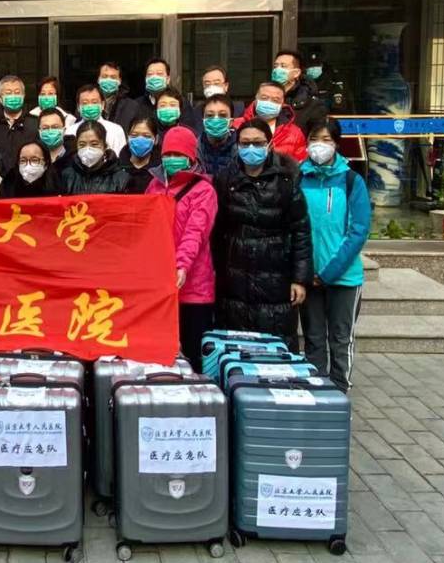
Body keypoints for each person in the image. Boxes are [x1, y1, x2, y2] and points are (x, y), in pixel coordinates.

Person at [211, 119, 313, 351]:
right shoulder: (225, 180)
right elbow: (216, 231)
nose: (251, 148)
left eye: (257, 143)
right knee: (237, 348)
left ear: (269, 144)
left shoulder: (286, 181)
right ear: (237, 145)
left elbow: (301, 231)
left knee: (275, 347)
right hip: (233, 278)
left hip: (276, 277)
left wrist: (300, 279)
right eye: (245, 143)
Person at [299, 118, 371, 391]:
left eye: (326, 140)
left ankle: (340, 391)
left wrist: (328, 272)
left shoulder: (352, 181)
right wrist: (305, 271)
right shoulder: (299, 178)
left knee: (340, 339)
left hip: (343, 278)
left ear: (337, 144)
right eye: (314, 139)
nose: (319, 145)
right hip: (309, 276)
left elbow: (358, 231)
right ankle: (317, 391)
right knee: (313, 338)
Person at [145, 127, 218, 371]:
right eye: (168, 154)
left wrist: (182, 265)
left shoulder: (203, 190)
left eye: (178, 154)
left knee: (193, 353)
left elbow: (195, 232)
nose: (171, 159)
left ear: (190, 156)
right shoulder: (155, 185)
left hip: (194, 286)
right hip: (159, 284)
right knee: (160, 354)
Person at [232, 82, 307, 162]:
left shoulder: (294, 133)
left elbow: (300, 163)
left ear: (282, 104)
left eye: (275, 100)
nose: (269, 102)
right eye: (264, 98)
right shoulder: (235, 125)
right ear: (256, 99)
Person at [128, 58, 202, 133]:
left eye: (159, 74)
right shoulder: (136, 104)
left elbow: (190, 131)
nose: (154, 77)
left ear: (168, 79)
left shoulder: (181, 102)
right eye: (150, 74)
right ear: (145, 79)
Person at [0, 74, 38, 174]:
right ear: (0, 98)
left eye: (17, 92)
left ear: (23, 96)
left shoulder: (35, 124)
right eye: (8, 93)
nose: (13, 96)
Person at [59, 120, 129, 194]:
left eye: (94, 144)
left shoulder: (121, 178)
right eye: (82, 144)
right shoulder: (67, 176)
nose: (88, 149)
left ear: (105, 146)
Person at [272, 48, 327, 133]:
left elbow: (315, 136)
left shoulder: (312, 105)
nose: (277, 70)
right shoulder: (265, 98)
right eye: (275, 66)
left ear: (296, 73)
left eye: (283, 66)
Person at [69, 84, 127, 155]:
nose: (90, 106)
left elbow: (121, 157)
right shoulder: (70, 131)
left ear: (102, 105)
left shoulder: (116, 130)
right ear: (78, 107)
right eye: (85, 103)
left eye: (94, 102)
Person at [197, 95, 237, 177]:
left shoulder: (240, 147)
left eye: (222, 115)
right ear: (203, 121)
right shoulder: (196, 147)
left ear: (231, 122)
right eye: (210, 115)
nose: (216, 119)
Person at [120, 116, 159, 193]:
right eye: (134, 135)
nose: (140, 140)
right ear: (127, 138)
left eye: (146, 136)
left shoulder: (160, 172)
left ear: (156, 139)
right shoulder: (117, 168)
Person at [98, 61, 139, 129]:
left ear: (119, 81)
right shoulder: (88, 103)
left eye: (113, 77)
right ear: (98, 79)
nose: (108, 80)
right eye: (105, 76)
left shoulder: (131, 106)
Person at [37, 108, 72, 172]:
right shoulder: (34, 159)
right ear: (39, 131)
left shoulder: (74, 158)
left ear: (64, 130)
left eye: (55, 127)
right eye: (45, 128)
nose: (50, 131)